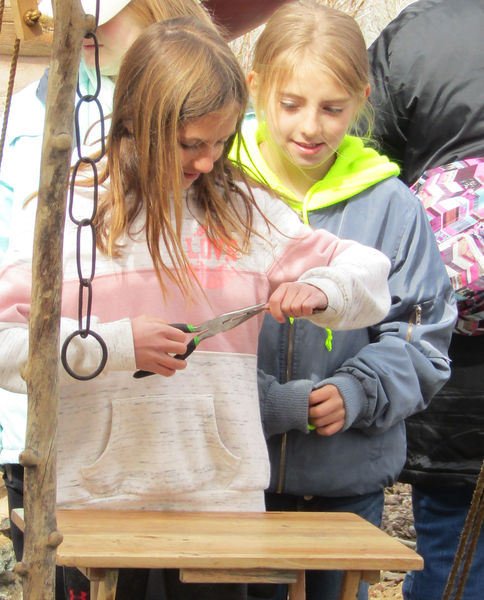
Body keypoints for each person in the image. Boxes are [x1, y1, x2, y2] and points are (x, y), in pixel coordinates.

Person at [0, 15, 393, 600]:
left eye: (222, 142)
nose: (210, 161)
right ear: (136, 124)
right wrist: (114, 345)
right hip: (93, 509)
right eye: (191, 144)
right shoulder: (68, 215)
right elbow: (8, 350)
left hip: (222, 506)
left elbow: (369, 274)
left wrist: (324, 290)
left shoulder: (245, 212)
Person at [229, 2, 457, 600]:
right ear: (256, 89)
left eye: (332, 108)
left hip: (346, 481)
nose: (310, 126)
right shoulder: (220, 193)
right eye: (291, 104)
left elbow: (421, 333)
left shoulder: (392, 206)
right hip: (233, 482)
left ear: (360, 98)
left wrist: (358, 390)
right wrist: (272, 404)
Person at [0, 1, 215, 598]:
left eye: (111, 20)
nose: (91, 35)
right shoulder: (27, 115)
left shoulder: (206, 140)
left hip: (164, 442)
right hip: (47, 431)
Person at [368, 1, 484, 599]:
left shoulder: (416, 36)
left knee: (449, 540)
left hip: (447, 349)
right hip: (450, 349)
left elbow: (358, 177)